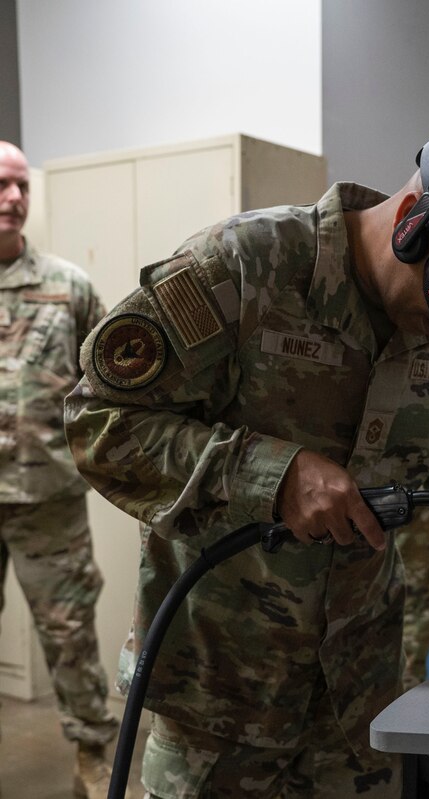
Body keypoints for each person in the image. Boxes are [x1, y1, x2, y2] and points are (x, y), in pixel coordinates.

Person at [63, 123, 429, 799]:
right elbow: (100, 420)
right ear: (409, 225)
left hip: (358, 703)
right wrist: (269, 475)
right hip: (218, 704)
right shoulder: (246, 267)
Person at [0, 141, 118, 799]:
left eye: (22, 186)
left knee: (70, 638)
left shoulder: (68, 288)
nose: (14, 198)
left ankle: (94, 756)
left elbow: (108, 388)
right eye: (1, 185)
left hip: (47, 499)